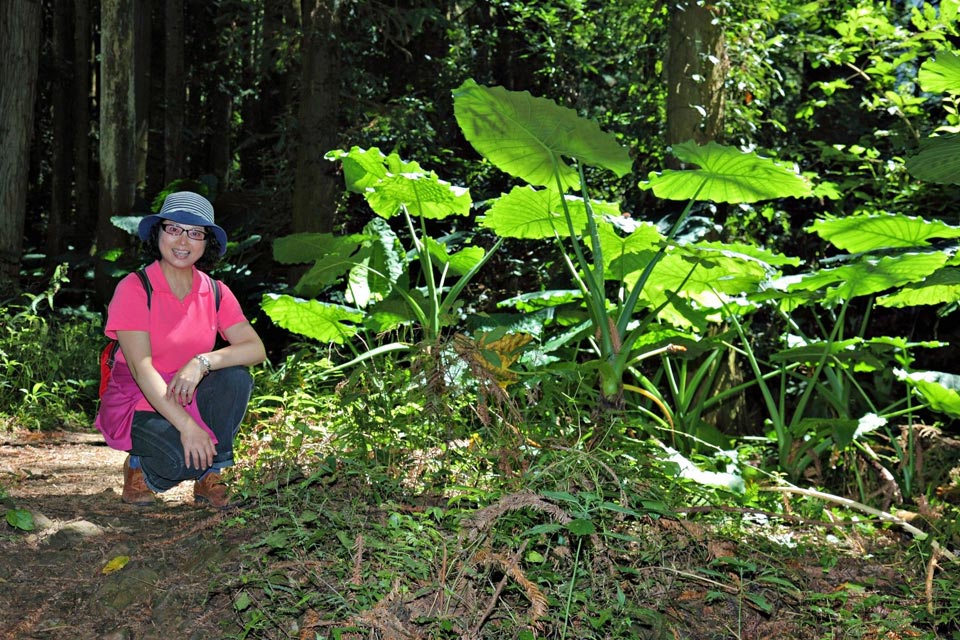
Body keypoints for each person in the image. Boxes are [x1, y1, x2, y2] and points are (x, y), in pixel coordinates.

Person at [95, 191, 266, 508]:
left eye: (195, 233)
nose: (183, 241)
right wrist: (187, 427)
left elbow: (255, 348)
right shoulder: (135, 288)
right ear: (158, 233)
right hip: (140, 401)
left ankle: (212, 474)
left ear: (206, 242)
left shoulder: (215, 291)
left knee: (235, 377)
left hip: (188, 395)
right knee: (181, 461)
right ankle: (139, 468)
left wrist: (201, 362)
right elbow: (142, 370)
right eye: (174, 229)